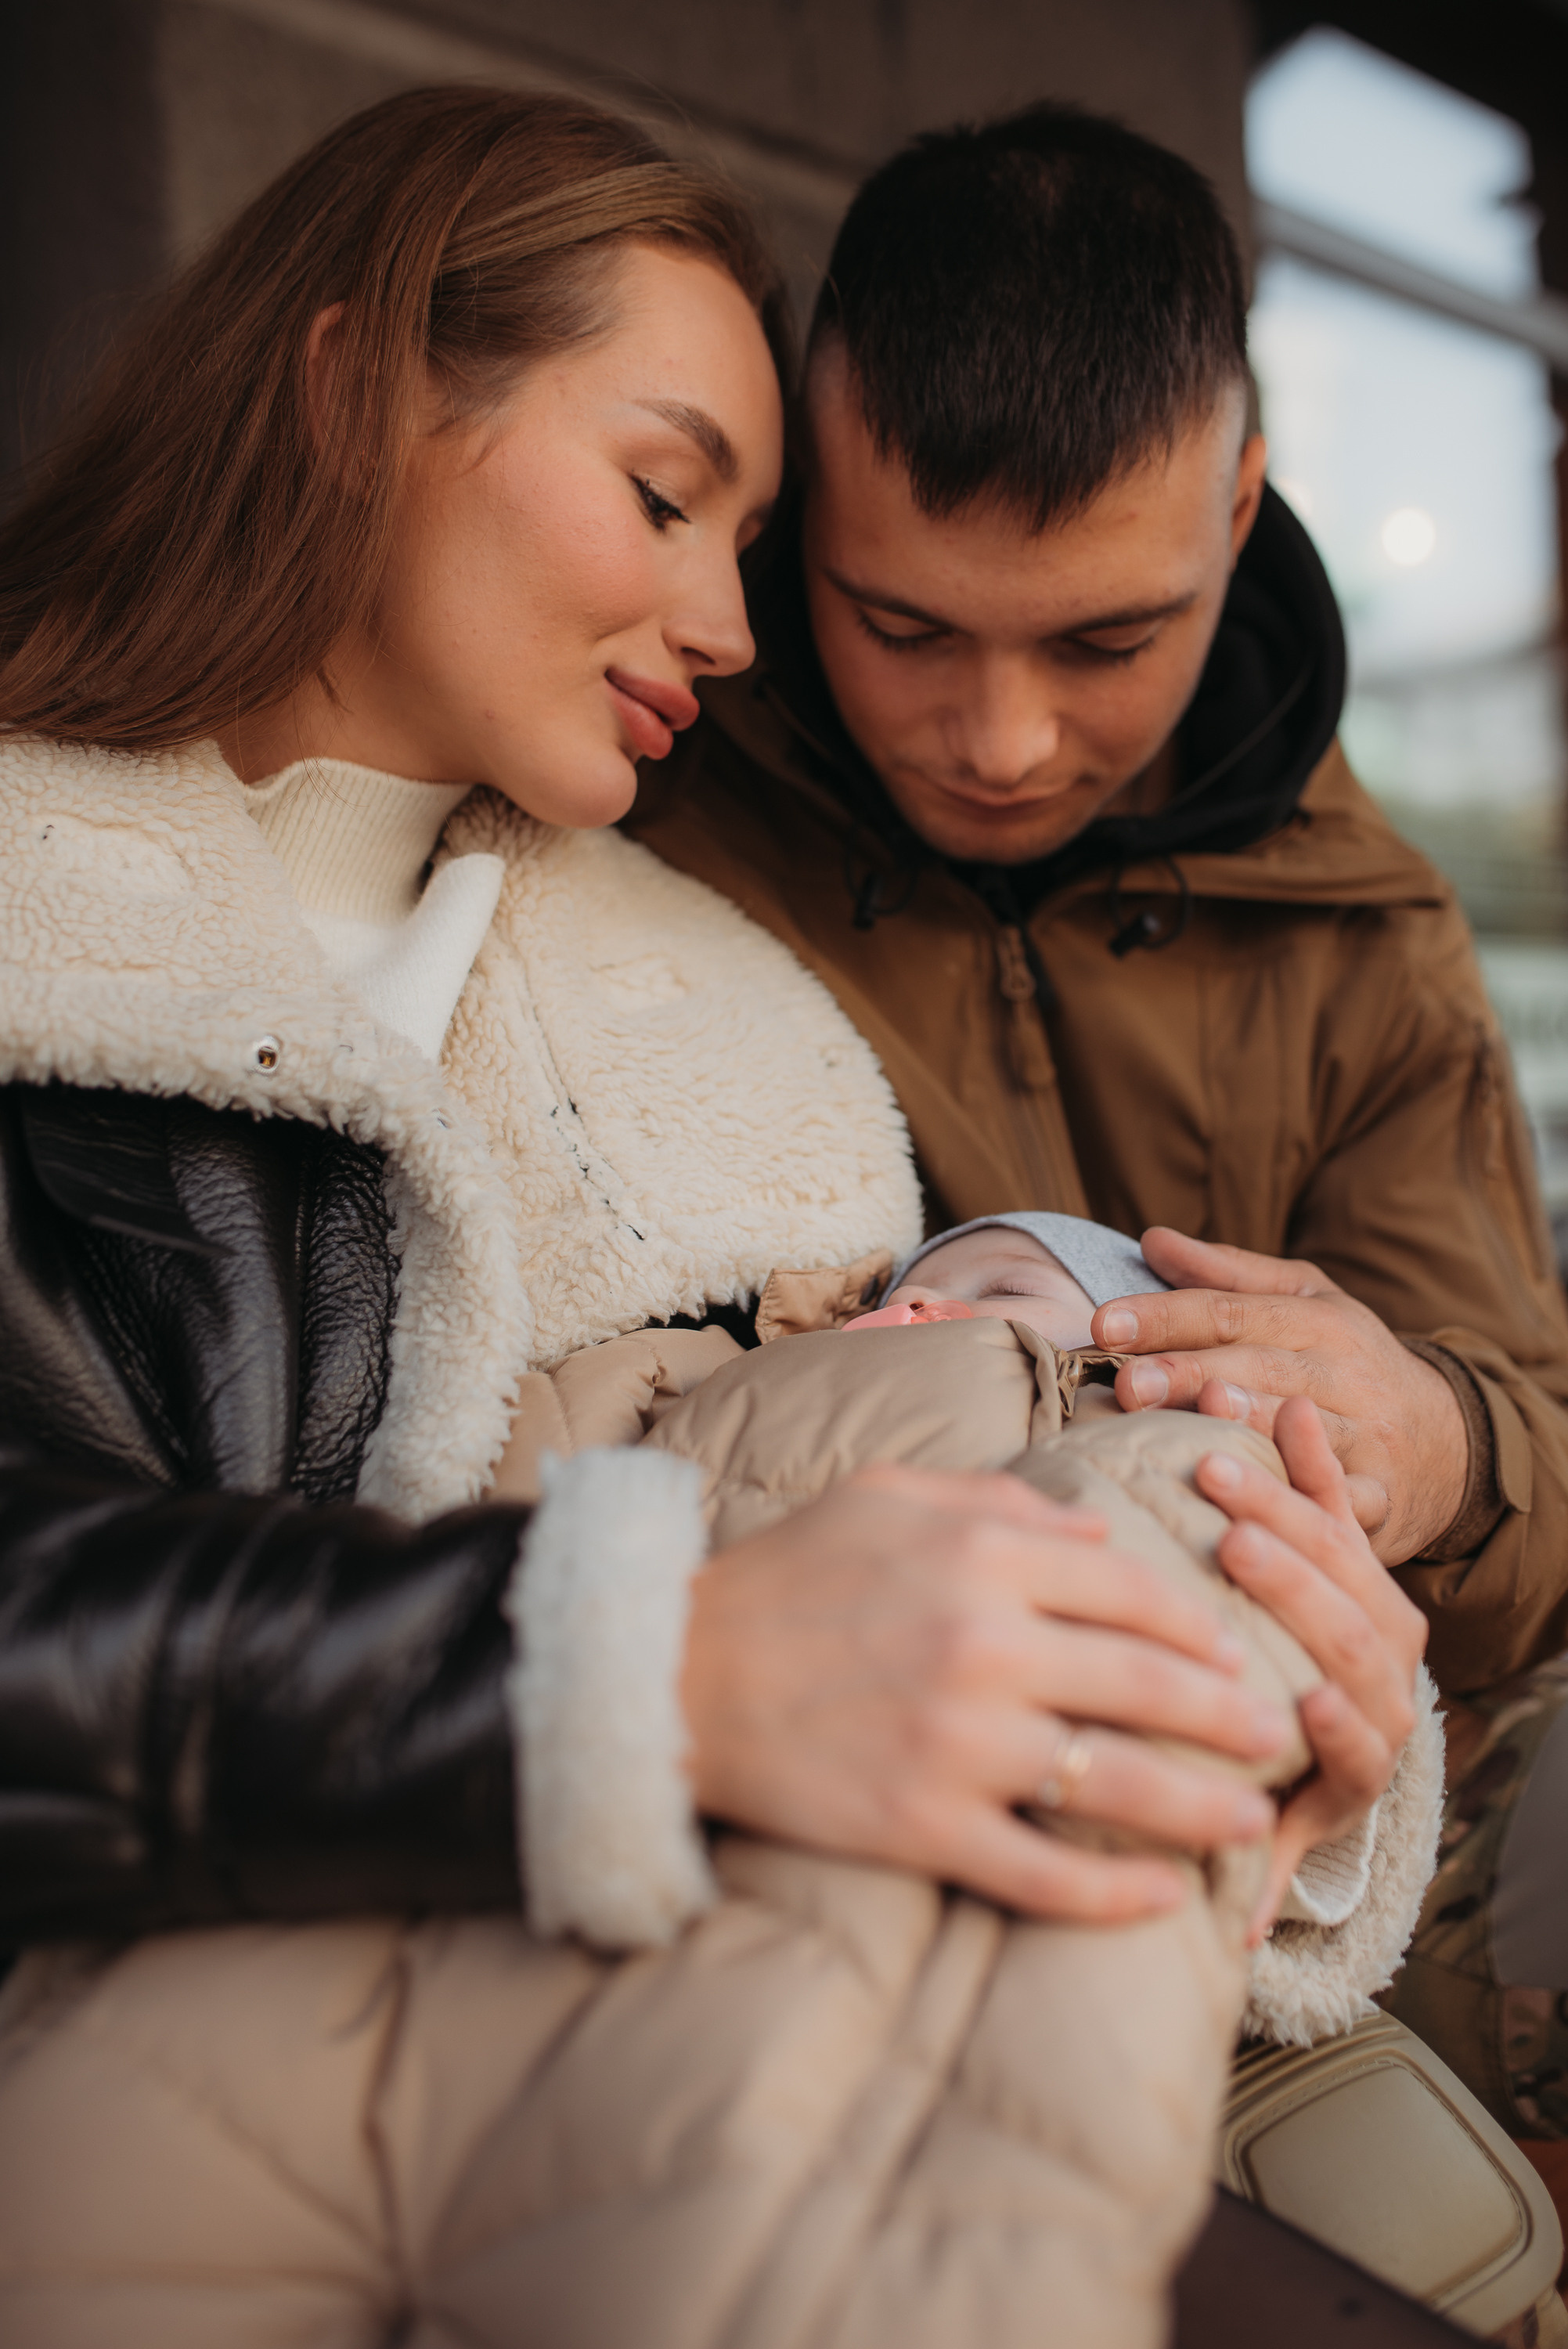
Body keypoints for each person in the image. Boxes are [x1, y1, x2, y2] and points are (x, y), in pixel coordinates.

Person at [0, 80, 1427, 2344]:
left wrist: (1266, 1706)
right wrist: (624, 1666)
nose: (729, 623)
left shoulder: (743, 1046)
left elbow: (903, 1527)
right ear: (357, 390)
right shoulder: (43, 904)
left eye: (743, 540)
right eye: (667, 493)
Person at [626, 100, 1568, 1701]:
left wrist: (1447, 1448)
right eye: (901, 627)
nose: (1002, 744)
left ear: (1243, 513)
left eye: (1106, 644)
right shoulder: (635, 812)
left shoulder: (1371, 936)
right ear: (800, 512)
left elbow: (1535, 1504)